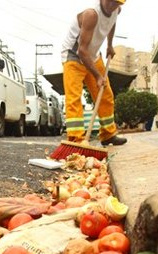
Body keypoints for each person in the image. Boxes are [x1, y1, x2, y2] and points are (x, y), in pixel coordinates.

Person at [61, 0, 127, 146]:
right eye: (110, 1)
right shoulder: (91, 14)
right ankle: (76, 140)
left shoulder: (116, 10)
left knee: (105, 94)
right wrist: (97, 76)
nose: (112, 5)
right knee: (74, 98)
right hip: (74, 56)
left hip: (93, 55)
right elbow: (82, 51)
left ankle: (108, 134)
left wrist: (110, 45)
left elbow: (111, 23)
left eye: (116, 3)